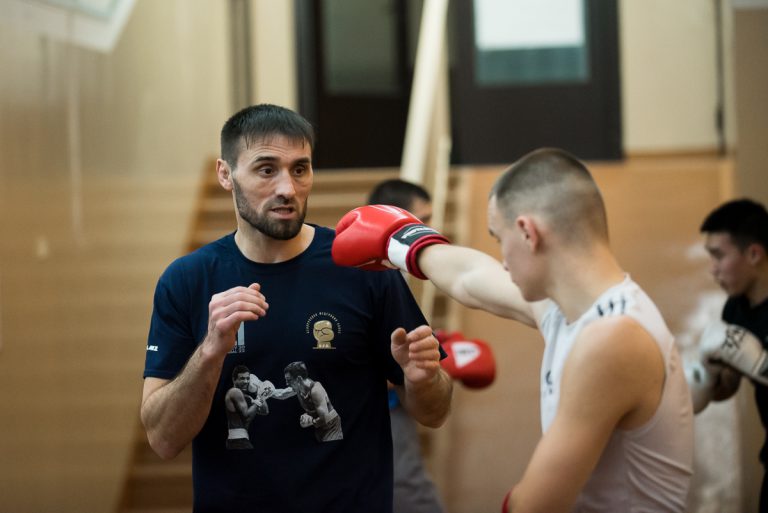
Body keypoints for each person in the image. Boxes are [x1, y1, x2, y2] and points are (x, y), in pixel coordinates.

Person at [333, 147, 694, 512]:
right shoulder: (568, 309)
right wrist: (401, 240)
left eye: (498, 238)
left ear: (527, 233)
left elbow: (533, 507)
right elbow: (469, 276)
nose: (503, 260)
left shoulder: (612, 338)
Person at [140, 104, 453, 513]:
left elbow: (435, 412)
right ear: (225, 174)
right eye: (266, 170)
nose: (287, 188)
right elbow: (163, 439)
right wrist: (211, 351)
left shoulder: (363, 268)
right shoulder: (187, 280)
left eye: (300, 169)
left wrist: (424, 379)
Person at [366, 178, 496, 513]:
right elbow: (345, 360)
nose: (428, 231)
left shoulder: (393, 271)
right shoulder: (365, 274)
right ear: (394, 221)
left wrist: (431, 345)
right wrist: (418, 368)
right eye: (420, 221)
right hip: (375, 413)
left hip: (393, 407)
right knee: (410, 492)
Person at [695, 198, 768, 509]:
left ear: (753, 254)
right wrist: (708, 377)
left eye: (719, 256)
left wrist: (761, 365)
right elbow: (729, 385)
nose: (713, 269)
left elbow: (755, 366)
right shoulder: (735, 309)